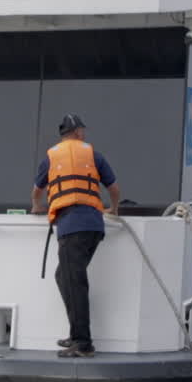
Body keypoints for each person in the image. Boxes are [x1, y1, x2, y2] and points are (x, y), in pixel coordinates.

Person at [31, 113, 120, 358]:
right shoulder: (93, 155)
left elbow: (37, 191)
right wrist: (113, 209)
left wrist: (37, 208)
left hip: (72, 228)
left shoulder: (51, 157)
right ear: (79, 132)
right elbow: (114, 188)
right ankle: (76, 334)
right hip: (93, 227)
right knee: (65, 277)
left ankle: (83, 343)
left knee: (74, 283)